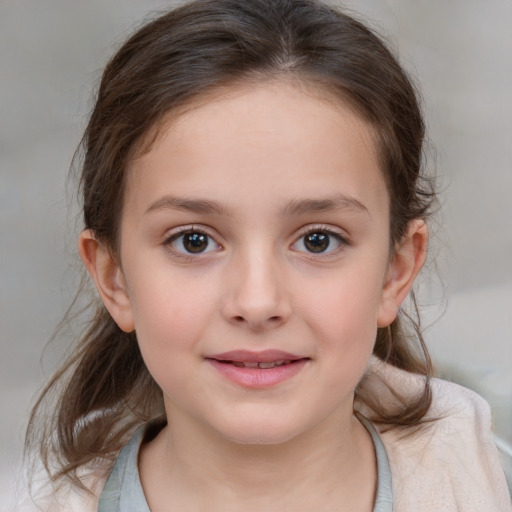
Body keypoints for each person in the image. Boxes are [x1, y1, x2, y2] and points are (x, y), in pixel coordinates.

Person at [23, 0, 511, 510]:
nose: (257, 303)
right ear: (114, 277)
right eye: (194, 240)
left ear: (396, 270)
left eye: (318, 240)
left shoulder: (483, 485)